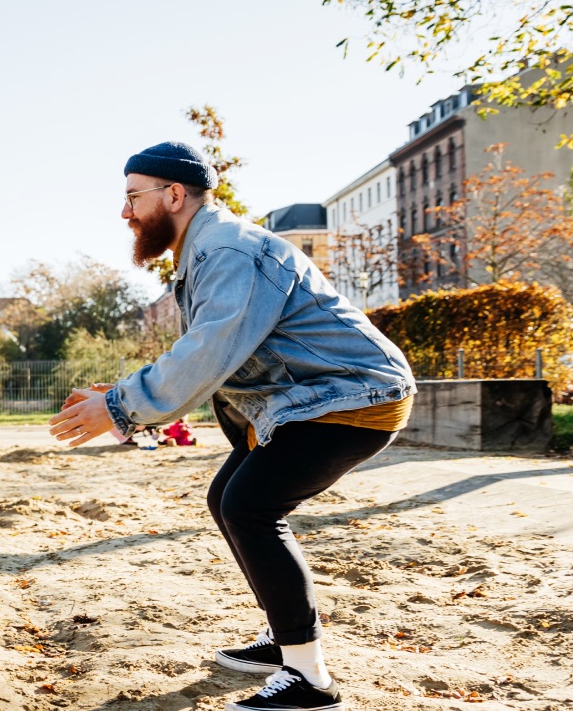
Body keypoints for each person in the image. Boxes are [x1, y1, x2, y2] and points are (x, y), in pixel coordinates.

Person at [48, 141, 415, 711]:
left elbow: (209, 349)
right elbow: (209, 356)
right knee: (230, 498)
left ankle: (310, 679)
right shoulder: (205, 250)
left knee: (250, 506)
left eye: (132, 198)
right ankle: (285, 636)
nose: (125, 213)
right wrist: (119, 396)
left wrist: (120, 409)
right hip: (310, 398)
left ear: (174, 195)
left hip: (351, 395)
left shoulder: (226, 249)